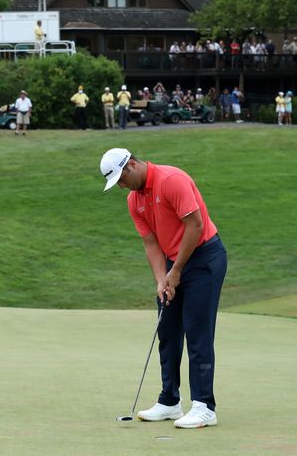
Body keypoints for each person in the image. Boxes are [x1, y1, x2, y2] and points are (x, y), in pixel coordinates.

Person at [99, 148, 227, 429]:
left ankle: (205, 406)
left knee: (196, 331)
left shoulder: (171, 179)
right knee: (168, 330)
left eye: (121, 179)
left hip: (204, 257)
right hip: (174, 262)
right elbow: (150, 243)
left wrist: (177, 270)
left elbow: (195, 225)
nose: (121, 186)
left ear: (131, 165)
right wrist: (162, 279)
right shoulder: (135, 200)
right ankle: (169, 401)